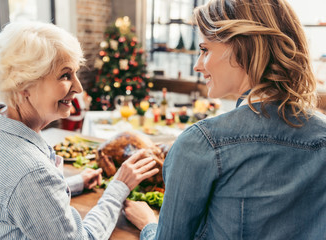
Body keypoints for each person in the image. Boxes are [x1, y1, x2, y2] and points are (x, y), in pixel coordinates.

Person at [124, 0, 326, 239]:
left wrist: (149, 225)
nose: (198, 65)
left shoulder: (200, 144)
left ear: (243, 47)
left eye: (205, 49)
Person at [0, 21, 159, 239]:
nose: (78, 87)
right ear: (24, 84)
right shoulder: (32, 173)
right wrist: (118, 187)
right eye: (65, 75)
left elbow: (15, 197)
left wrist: (72, 184)